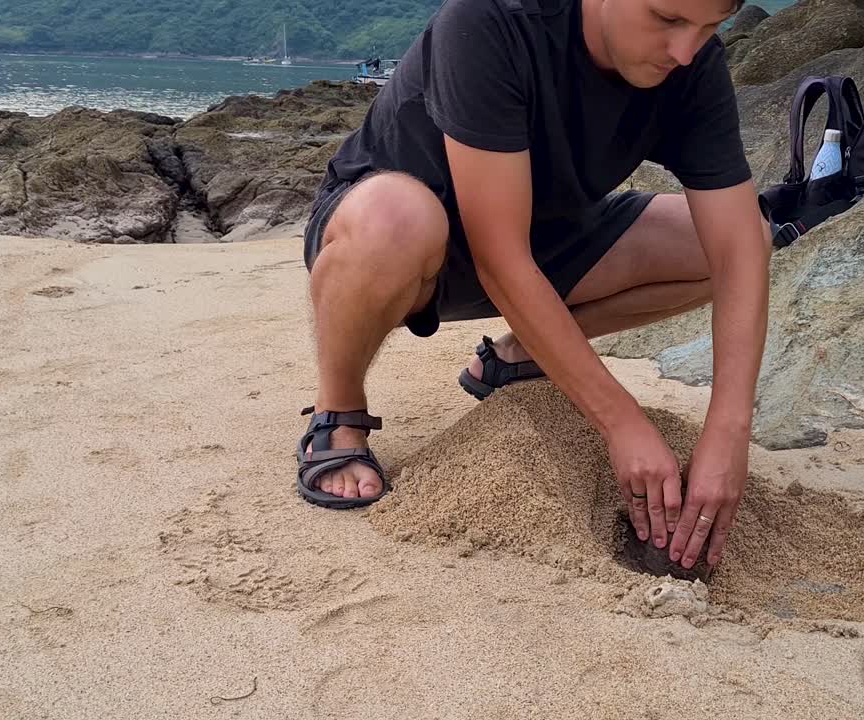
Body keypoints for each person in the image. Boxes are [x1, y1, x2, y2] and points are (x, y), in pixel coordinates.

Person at [295, 0, 770, 572]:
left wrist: (729, 429)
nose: (685, 51)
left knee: (744, 239)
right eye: (667, 20)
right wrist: (622, 423)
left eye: (709, 27)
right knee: (397, 217)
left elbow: (738, 252)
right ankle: (338, 410)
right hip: (397, 245)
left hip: (548, 245)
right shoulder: (491, 21)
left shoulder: (695, 66)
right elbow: (501, 259)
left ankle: (516, 357)